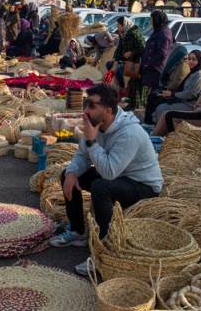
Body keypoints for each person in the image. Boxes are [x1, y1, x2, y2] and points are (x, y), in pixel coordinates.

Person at [50, 83, 163, 276]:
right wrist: (71, 173)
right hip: (118, 174)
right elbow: (82, 156)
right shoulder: (96, 125)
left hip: (143, 185)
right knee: (69, 174)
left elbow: (109, 173)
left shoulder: (129, 133)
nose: (86, 110)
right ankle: (78, 232)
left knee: (101, 187)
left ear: (108, 110)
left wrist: (92, 141)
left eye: (92, 106)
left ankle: (105, 252)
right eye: (86, 103)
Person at [149, 50, 201, 125]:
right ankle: (155, 127)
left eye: (194, 59)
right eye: (189, 59)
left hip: (192, 104)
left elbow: (189, 94)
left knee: (162, 108)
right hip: (186, 100)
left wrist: (171, 94)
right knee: (157, 98)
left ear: (200, 60)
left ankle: (159, 131)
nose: (191, 61)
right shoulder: (195, 71)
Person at [143, 44, 189, 125]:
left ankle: (152, 123)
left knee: (156, 97)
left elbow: (177, 83)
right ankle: (149, 122)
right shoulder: (176, 62)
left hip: (173, 91)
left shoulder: (183, 65)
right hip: (168, 87)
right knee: (152, 96)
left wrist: (166, 89)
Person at [139, 10, 174, 110]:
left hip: (157, 70)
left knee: (156, 94)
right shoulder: (159, 31)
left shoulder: (164, 33)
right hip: (154, 69)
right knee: (153, 94)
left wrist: (149, 65)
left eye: (151, 19)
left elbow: (162, 53)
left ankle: (153, 118)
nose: (150, 22)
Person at [110, 16, 145, 110]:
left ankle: (134, 104)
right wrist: (115, 61)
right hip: (130, 62)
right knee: (132, 82)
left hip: (138, 62)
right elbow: (119, 48)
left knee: (136, 83)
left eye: (118, 24)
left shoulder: (134, 33)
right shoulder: (123, 34)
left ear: (124, 25)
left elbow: (142, 47)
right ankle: (134, 102)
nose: (117, 26)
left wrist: (131, 52)